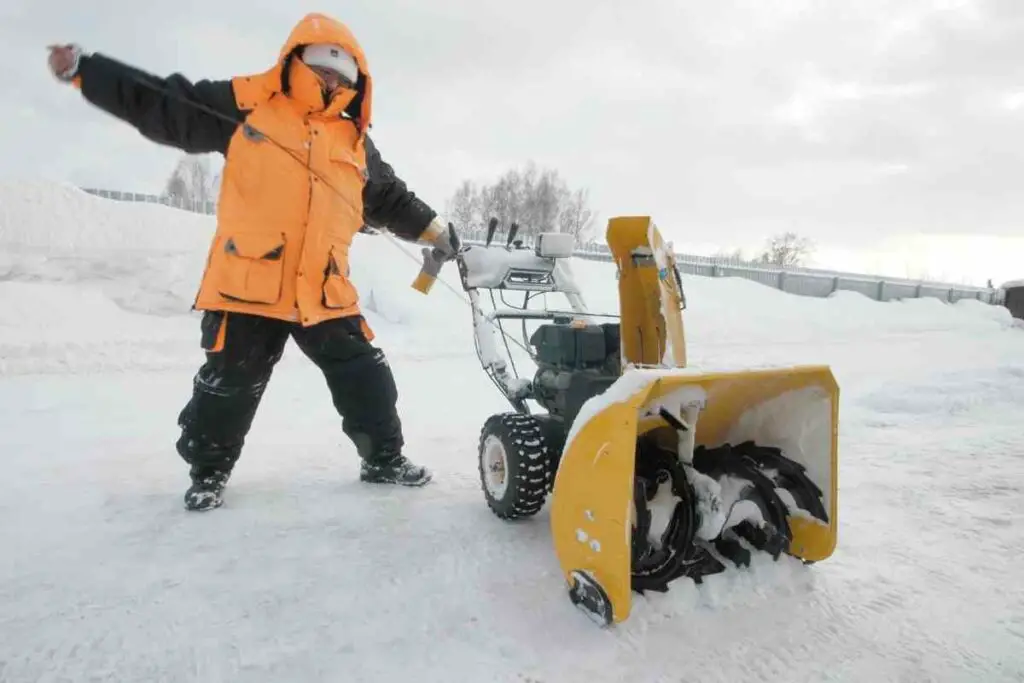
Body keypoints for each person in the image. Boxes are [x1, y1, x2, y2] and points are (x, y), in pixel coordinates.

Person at [46, 13, 459, 511]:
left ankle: (383, 460)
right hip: (249, 284)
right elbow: (164, 103)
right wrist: (88, 71)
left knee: (367, 378)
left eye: (342, 77)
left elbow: (389, 198)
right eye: (322, 70)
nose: (331, 83)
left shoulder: (353, 141)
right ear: (297, 62)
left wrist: (436, 231)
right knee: (228, 390)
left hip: (324, 291)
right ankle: (207, 474)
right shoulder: (248, 106)